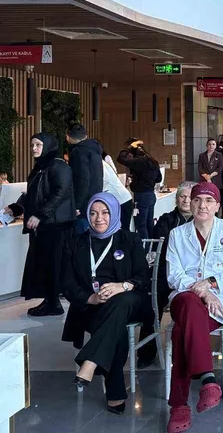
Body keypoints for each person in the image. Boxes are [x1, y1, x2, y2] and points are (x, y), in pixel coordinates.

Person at [165, 182, 223, 433]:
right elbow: (174, 275)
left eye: (209, 200)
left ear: (218, 206)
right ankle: (207, 378)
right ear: (190, 204)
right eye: (197, 200)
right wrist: (203, 292)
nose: (203, 205)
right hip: (184, 297)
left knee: (181, 331)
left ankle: (179, 405)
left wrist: (212, 284)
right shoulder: (177, 234)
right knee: (189, 303)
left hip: (220, 302)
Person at [61, 193, 150, 414]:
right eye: (93, 213)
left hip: (131, 300)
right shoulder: (76, 242)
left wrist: (123, 286)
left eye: (105, 212)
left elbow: (143, 276)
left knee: (119, 303)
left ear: (115, 213)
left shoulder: (129, 239)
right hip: (92, 305)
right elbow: (67, 283)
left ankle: (91, 361)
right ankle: (111, 388)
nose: (98, 218)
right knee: (113, 323)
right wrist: (89, 298)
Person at [5, 133, 75, 316]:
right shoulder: (40, 167)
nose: (34, 148)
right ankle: (51, 302)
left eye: (38, 144)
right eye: (32, 145)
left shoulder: (59, 166)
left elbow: (61, 192)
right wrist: (16, 208)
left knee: (53, 265)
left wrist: (40, 215)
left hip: (55, 226)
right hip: (45, 226)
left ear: (48, 146)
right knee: (44, 265)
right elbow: (32, 194)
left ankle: (54, 304)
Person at [136, 181, 196, 369]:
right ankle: (146, 353)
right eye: (182, 196)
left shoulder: (202, 220)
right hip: (166, 272)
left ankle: (186, 353)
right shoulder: (166, 219)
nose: (185, 200)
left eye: (190, 197)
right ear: (176, 199)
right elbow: (162, 247)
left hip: (193, 276)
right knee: (152, 304)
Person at [118, 139, 162, 239]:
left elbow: (121, 158)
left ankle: (144, 247)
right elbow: (159, 178)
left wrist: (128, 148)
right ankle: (151, 246)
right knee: (149, 223)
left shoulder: (138, 161)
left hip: (142, 196)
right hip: (151, 195)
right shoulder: (153, 161)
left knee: (141, 226)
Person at [66, 123, 103, 230]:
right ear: (85, 136)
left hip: (83, 205)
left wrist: (77, 205)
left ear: (67, 137)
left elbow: (82, 180)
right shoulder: (94, 150)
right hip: (94, 199)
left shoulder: (78, 152)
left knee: (80, 235)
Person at [102, 157, 133, 234]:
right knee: (122, 229)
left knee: (123, 230)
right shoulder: (101, 163)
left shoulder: (100, 164)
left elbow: (105, 179)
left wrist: (98, 193)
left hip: (122, 200)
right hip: (121, 199)